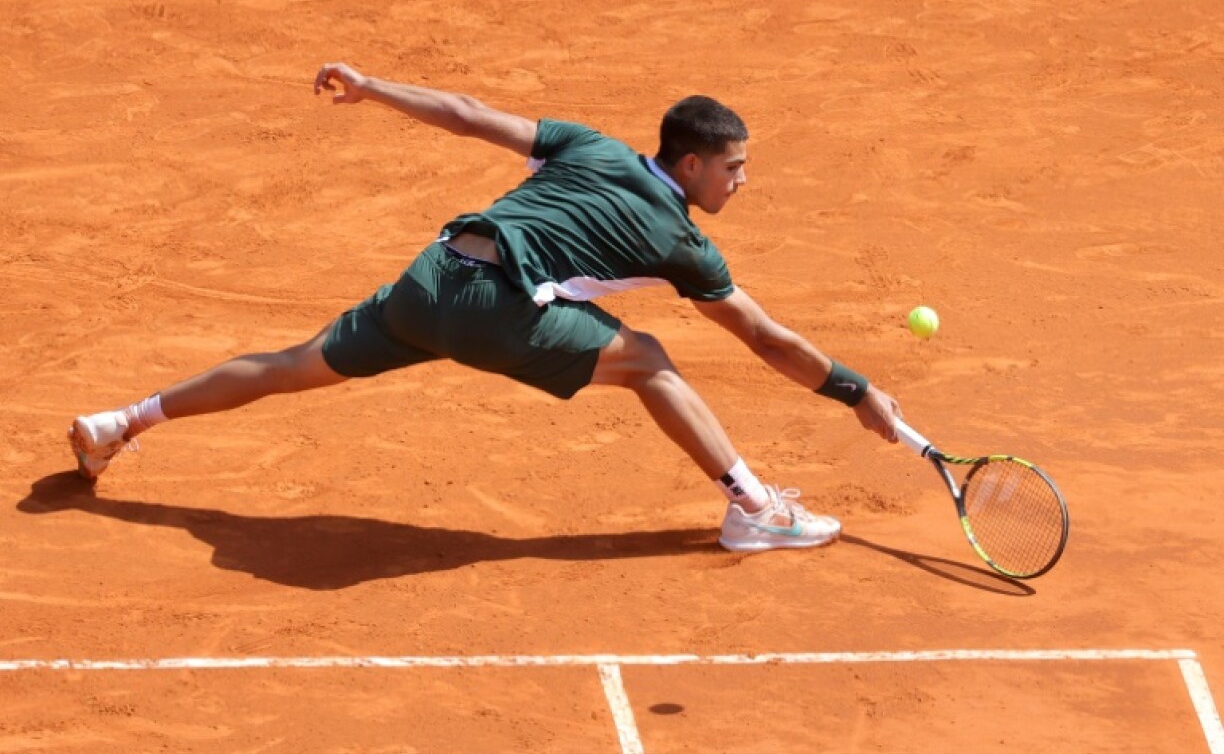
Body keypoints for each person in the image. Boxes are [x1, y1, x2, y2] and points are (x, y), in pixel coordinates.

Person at [68, 62, 903, 553]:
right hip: (494, 309)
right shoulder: (685, 245)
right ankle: (754, 512)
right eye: (733, 169)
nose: (742, 183)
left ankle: (122, 422)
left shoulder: (591, 145)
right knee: (648, 360)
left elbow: (467, 116)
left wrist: (372, 86)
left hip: (431, 278)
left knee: (294, 365)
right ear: (688, 167)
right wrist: (857, 391)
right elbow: (762, 337)